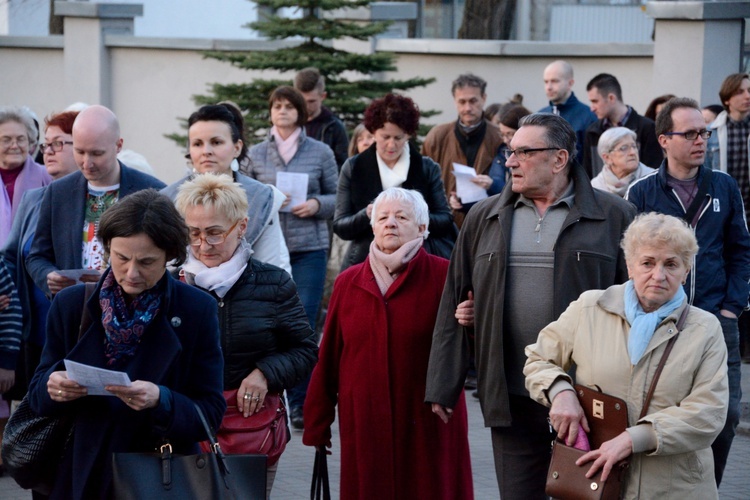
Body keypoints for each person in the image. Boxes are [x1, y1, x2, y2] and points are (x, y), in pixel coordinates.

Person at [425, 113, 636, 499]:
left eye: (523, 151)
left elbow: (637, 305)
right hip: (510, 392)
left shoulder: (614, 216)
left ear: (559, 159)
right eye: (510, 151)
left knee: (587, 495)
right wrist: (443, 383)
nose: (509, 161)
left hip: (589, 393)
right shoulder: (483, 216)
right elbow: (455, 301)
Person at [26, 189, 226, 499]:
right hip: (79, 472)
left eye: (147, 262)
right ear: (106, 250)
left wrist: (162, 399)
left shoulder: (195, 310)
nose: (131, 273)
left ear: (170, 256)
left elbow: (210, 412)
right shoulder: (71, 304)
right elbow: (37, 395)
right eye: (121, 258)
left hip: (158, 476)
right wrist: (54, 387)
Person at [524, 212, 729, 498]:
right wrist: (560, 392)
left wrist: (634, 439)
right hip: (599, 483)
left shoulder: (705, 329)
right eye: (647, 262)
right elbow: (538, 359)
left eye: (671, 264)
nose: (658, 275)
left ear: (686, 271)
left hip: (675, 486)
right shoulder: (589, 308)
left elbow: (709, 413)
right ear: (630, 265)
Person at [304, 187, 473, 499]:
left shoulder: (445, 274)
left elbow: (468, 345)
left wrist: (472, 320)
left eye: (401, 217)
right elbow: (328, 358)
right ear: (372, 227)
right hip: (365, 421)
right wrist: (317, 421)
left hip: (428, 420)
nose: (390, 223)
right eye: (382, 217)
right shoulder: (349, 281)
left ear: (422, 228)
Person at [626, 97, 750, 486]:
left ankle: (706, 487)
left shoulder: (724, 187)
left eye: (705, 132)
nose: (702, 140)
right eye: (691, 133)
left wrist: (732, 306)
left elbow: (741, 249)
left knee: (725, 415)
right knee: (664, 410)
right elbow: (630, 258)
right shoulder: (642, 192)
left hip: (716, 318)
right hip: (659, 322)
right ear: (664, 139)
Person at [174, 174, 317, 496]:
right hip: (186, 430)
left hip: (250, 431)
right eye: (193, 233)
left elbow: (305, 349)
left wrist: (265, 374)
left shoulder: (273, 283)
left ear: (241, 226)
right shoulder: (172, 284)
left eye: (214, 233)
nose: (202, 244)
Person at [243, 85, 337, 430]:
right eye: (276, 106)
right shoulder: (256, 152)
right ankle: (270, 394)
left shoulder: (320, 151)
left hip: (308, 247)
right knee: (268, 323)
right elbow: (245, 197)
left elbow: (337, 195)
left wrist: (315, 205)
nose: (282, 111)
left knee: (304, 323)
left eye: (288, 106)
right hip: (267, 248)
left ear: (300, 111)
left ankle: (300, 403)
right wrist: (267, 202)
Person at [26, 105, 165, 298]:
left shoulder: (153, 191)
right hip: (75, 311)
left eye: (97, 153)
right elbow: (37, 256)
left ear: (118, 145)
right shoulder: (58, 192)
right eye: (79, 151)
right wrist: (47, 275)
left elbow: (168, 258)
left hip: (135, 311)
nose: (86, 163)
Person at [1, 110, 81, 401]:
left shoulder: (96, 200)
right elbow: (11, 256)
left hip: (79, 333)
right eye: (46, 144)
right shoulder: (33, 199)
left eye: (58, 144)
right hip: (33, 334)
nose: (48, 151)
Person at [161, 103, 290, 274]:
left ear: (237, 147)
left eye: (216, 142)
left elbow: (274, 266)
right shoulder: (167, 200)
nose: (206, 151)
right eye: (197, 144)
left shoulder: (261, 198)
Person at [334, 93, 455, 270]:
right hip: (366, 259)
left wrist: (414, 216)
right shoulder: (354, 167)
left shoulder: (427, 167)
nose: (391, 145)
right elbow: (340, 226)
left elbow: (445, 220)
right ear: (373, 132)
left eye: (398, 138)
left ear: (408, 135)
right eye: (385, 137)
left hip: (419, 260)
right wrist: (367, 214)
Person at [421, 73, 503, 227]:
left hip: (487, 224)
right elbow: (421, 182)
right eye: (462, 102)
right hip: (444, 227)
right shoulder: (437, 136)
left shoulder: (499, 137)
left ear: (484, 98)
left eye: (473, 101)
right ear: (455, 102)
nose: (467, 108)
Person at [584, 73, 663, 177]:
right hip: (599, 192)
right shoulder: (592, 132)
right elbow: (587, 175)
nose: (592, 108)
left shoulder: (647, 128)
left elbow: (654, 175)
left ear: (611, 98)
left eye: (595, 101)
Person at [0, 106, 52, 246]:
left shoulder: (47, 177)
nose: (14, 145)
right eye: (6, 140)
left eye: (21, 139)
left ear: (30, 143)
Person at [538, 60, 597, 166]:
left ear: (570, 83)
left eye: (555, 81)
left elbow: (593, 162)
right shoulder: (540, 116)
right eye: (546, 82)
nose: (549, 87)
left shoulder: (589, 117)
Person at [294, 67, 349, 168]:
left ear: (323, 96)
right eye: (302, 100)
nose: (306, 106)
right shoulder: (288, 124)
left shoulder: (334, 127)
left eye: (311, 101)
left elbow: (342, 166)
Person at [591, 127, 655, 197]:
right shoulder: (596, 187)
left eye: (634, 146)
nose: (632, 152)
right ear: (607, 157)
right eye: (624, 148)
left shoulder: (653, 180)